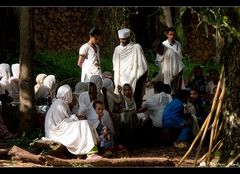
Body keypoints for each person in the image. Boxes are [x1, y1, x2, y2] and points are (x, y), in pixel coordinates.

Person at [43, 84, 102, 159]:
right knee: (84, 124)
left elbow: (66, 119)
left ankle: (89, 150)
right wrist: (75, 117)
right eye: (70, 94)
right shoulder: (60, 104)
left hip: (59, 129)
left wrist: (75, 117)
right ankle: (91, 153)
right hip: (56, 132)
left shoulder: (60, 103)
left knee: (84, 123)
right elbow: (61, 123)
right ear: (67, 94)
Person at [112, 28, 148, 109]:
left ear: (128, 38)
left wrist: (145, 79)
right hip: (121, 78)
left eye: (124, 39)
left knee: (136, 98)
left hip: (135, 77)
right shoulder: (117, 49)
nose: (122, 41)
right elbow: (115, 65)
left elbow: (143, 65)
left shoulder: (136, 47)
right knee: (122, 100)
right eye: (121, 39)